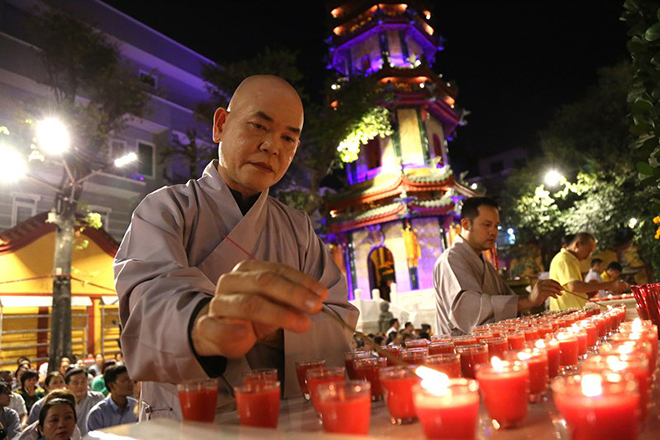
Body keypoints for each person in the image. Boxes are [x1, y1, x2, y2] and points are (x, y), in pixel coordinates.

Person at [113, 75, 359, 420]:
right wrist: (204, 324)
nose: (273, 146)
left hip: (280, 417)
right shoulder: (166, 209)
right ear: (221, 125)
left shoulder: (299, 228)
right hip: (188, 420)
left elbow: (338, 320)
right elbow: (148, 301)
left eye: (288, 138)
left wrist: (277, 330)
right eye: (259, 126)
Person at [434, 197, 563, 335]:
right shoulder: (450, 260)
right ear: (466, 224)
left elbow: (510, 300)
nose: (493, 232)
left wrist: (534, 301)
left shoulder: (486, 266)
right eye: (487, 225)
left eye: (496, 226)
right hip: (459, 350)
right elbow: (468, 310)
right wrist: (528, 300)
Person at [549, 233, 629, 310]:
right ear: (577, 245)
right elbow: (574, 286)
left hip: (573, 310)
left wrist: (590, 289)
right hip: (566, 313)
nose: (588, 256)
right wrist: (610, 285)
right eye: (588, 251)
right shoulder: (564, 259)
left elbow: (572, 290)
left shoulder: (571, 260)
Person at [85, 365, 137, 432]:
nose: (131, 383)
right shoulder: (98, 413)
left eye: (131, 380)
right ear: (111, 385)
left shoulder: (136, 407)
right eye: (125, 380)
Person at [63, 369, 103, 437]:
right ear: (67, 386)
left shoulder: (97, 398)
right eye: (76, 383)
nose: (80, 386)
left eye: (83, 382)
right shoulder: (63, 403)